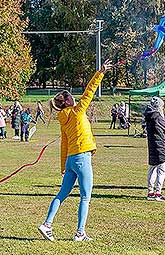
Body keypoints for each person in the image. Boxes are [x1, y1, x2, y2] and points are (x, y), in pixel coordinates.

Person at [38, 59, 113, 242]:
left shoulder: (63, 118)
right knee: (86, 197)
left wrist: (64, 166)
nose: (74, 97)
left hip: (71, 159)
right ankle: (80, 233)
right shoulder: (77, 111)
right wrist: (100, 73)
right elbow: (89, 92)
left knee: (62, 194)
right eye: (71, 96)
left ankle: (47, 224)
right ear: (68, 101)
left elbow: (64, 143)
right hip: (82, 157)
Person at [144, 96, 165, 202]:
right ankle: (158, 193)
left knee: (152, 169)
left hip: (152, 145)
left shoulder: (148, 115)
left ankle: (150, 192)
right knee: (161, 170)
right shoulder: (157, 116)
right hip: (160, 146)